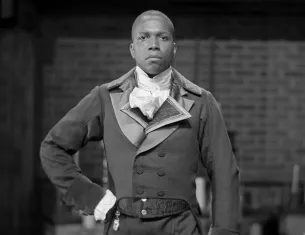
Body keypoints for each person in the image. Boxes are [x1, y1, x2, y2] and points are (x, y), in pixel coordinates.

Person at [40, 10, 240, 235]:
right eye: (144, 37)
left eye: (162, 37)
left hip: (181, 227)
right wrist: (91, 198)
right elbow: (53, 148)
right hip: (124, 225)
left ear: (174, 48)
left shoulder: (201, 102)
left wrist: (224, 231)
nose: (153, 45)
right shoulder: (105, 98)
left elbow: (224, 171)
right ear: (132, 49)